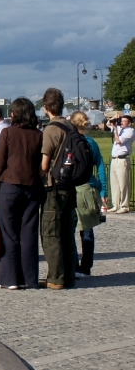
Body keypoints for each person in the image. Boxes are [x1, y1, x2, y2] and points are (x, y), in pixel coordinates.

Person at [0, 97, 44, 290]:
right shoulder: (38, 135)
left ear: (14, 113)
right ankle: (29, 278)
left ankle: (10, 278)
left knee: (9, 233)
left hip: (10, 186)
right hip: (31, 186)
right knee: (28, 234)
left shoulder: (7, 133)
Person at [39, 88, 77, 290]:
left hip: (53, 188)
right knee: (68, 232)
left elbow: (45, 164)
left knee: (51, 233)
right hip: (70, 185)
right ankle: (69, 274)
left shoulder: (51, 130)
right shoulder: (70, 126)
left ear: (45, 108)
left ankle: (55, 277)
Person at [70, 111, 107, 277]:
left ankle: (73, 264)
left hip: (74, 186)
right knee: (87, 230)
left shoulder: (70, 141)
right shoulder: (91, 142)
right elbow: (100, 166)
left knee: (70, 228)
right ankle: (86, 266)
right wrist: (103, 189)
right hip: (89, 186)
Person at [106, 114, 133, 214]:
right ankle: (115, 205)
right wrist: (113, 119)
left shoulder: (130, 131)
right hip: (114, 159)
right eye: (121, 121)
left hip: (122, 160)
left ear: (129, 123)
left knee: (123, 184)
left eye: (124, 121)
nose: (121, 122)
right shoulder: (119, 128)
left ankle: (124, 205)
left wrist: (115, 130)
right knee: (114, 183)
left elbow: (118, 141)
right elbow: (108, 124)